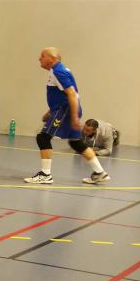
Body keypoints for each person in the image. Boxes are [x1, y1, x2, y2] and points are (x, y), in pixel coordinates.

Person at [24, 48, 109, 185]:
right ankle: (99, 172)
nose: (39, 58)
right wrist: (50, 112)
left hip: (65, 110)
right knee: (75, 142)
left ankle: (45, 174)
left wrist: (74, 116)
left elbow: (72, 94)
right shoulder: (57, 70)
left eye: (43, 56)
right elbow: (61, 95)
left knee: (43, 137)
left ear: (52, 59)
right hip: (64, 109)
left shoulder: (58, 72)